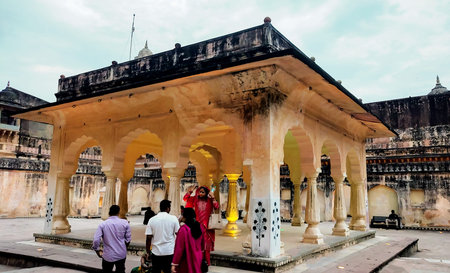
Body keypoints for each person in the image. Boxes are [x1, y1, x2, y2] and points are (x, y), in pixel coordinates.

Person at [183, 186, 219, 265]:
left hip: (207, 227)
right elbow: (185, 199)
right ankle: (198, 262)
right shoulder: (195, 199)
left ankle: (206, 263)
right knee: (197, 245)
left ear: (206, 193)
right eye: (200, 192)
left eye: (203, 192)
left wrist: (213, 197)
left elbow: (216, 207)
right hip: (197, 226)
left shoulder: (210, 200)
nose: (200, 193)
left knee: (206, 247)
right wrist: (190, 192)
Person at [92, 205, 131, 273]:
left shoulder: (103, 224)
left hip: (108, 255)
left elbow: (96, 240)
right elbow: (128, 240)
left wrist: (97, 250)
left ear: (109, 212)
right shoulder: (125, 223)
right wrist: (123, 248)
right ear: (119, 212)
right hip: (121, 254)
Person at [146, 199, 180, 273]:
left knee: (156, 271)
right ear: (168, 208)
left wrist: (148, 252)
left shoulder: (152, 220)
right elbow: (178, 235)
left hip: (156, 252)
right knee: (167, 271)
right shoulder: (173, 219)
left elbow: (148, 238)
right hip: (169, 251)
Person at [171, 208, 204, 273]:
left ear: (185, 217)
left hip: (187, 259)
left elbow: (179, 249)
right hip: (198, 257)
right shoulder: (200, 227)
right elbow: (203, 244)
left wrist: (174, 263)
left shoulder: (183, 230)